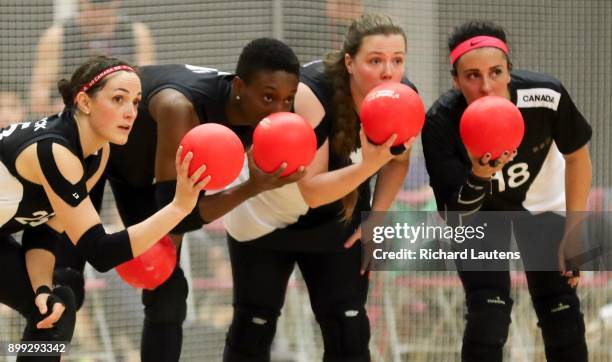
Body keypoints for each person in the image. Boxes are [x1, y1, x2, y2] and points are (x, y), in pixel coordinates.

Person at [52, 38, 303, 362]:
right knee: (64, 287)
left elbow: (178, 208)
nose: (279, 111)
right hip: (89, 150)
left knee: (168, 292)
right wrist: (252, 187)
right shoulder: (180, 107)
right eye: (269, 97)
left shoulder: (253, 113)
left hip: (140, 175)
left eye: (288, 100)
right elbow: (179, 213)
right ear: (239, 85)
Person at [219, 14, 415, 361]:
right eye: (375, 60)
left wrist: (375, 217)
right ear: (349, 63)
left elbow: (398, 160)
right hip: (266, 217)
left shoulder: (404, 97)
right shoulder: (312, 91)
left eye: (397, 60)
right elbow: (311, 190)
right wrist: (369, 164)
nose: (389, 72)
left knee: (348, 330)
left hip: (335, 224)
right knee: (253, 327)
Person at [0, 55, 205, 361]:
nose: (131, 112)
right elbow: (101, 251)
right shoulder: (54, 150)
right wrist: (178, 208)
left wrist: (41, 288)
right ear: (84, 101)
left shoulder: (98, 153)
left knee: (55, 307)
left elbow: (44, 233)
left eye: (136, 102)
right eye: (118, 99)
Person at [422, 20, 592, 362]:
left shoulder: (546, 96)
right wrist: (480, 174)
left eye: (496, 72)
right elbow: (456, 216)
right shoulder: (440, 122)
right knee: (488, 314)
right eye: (472, 76)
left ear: (509, 71)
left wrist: (573, 233)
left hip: (542, 200)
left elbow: (577, 157)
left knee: (561, 310)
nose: (486, 86)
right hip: (480, 211)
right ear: (455, 80)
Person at [30, 0, 155, 116]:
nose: (99, 12)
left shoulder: (136, 34)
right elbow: (38, 98)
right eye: (93, 5)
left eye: (105, 5)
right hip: (74, 119)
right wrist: (64, 109)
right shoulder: (57, 37)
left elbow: (148, 87)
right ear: (81, 2)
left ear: (117, 2)